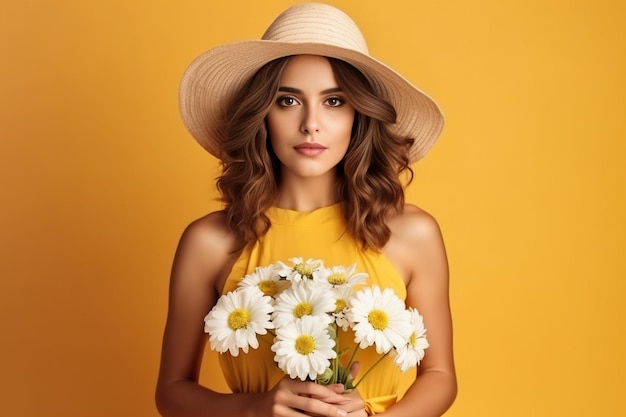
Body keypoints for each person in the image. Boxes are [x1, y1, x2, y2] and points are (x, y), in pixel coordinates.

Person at [156, 3, 456, 417]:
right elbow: (172, 392)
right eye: (287, 101)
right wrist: (256, 409)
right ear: (262, 114)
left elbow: (440, 375)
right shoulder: (209, 242)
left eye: (334, 101)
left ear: (358, 115)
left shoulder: (412, 233)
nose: (311, 123)